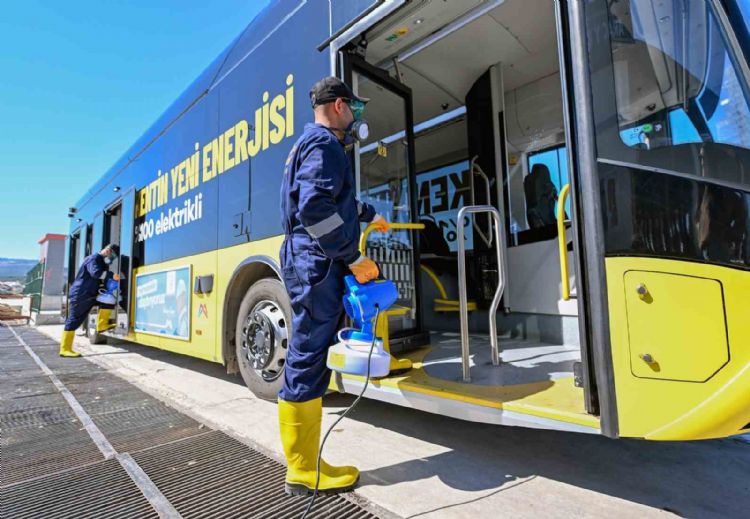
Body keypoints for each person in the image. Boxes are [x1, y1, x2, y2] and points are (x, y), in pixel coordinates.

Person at [278, 76, 390, 495]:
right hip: (317, 259)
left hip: (311, 257)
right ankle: (303, 468)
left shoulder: (309, 145)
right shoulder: (325, 145)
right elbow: (314, 208)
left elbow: (335, 200)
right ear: (339, 106)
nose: (356, 115)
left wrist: (370, 213)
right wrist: (353, 256)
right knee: (308, 352)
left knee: (311, 348)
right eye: (354, 108)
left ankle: (305, 461)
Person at [59, 244, 122, 357]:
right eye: (112, 256)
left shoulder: (101, 261)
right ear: (108, 251)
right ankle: (65, 349)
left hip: (91, 293)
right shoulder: (93, 259)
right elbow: (96, 273)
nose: (112, 259)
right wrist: (111, 275)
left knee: (109, 300)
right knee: (75, 319)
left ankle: (102, 325)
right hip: (81, 294)